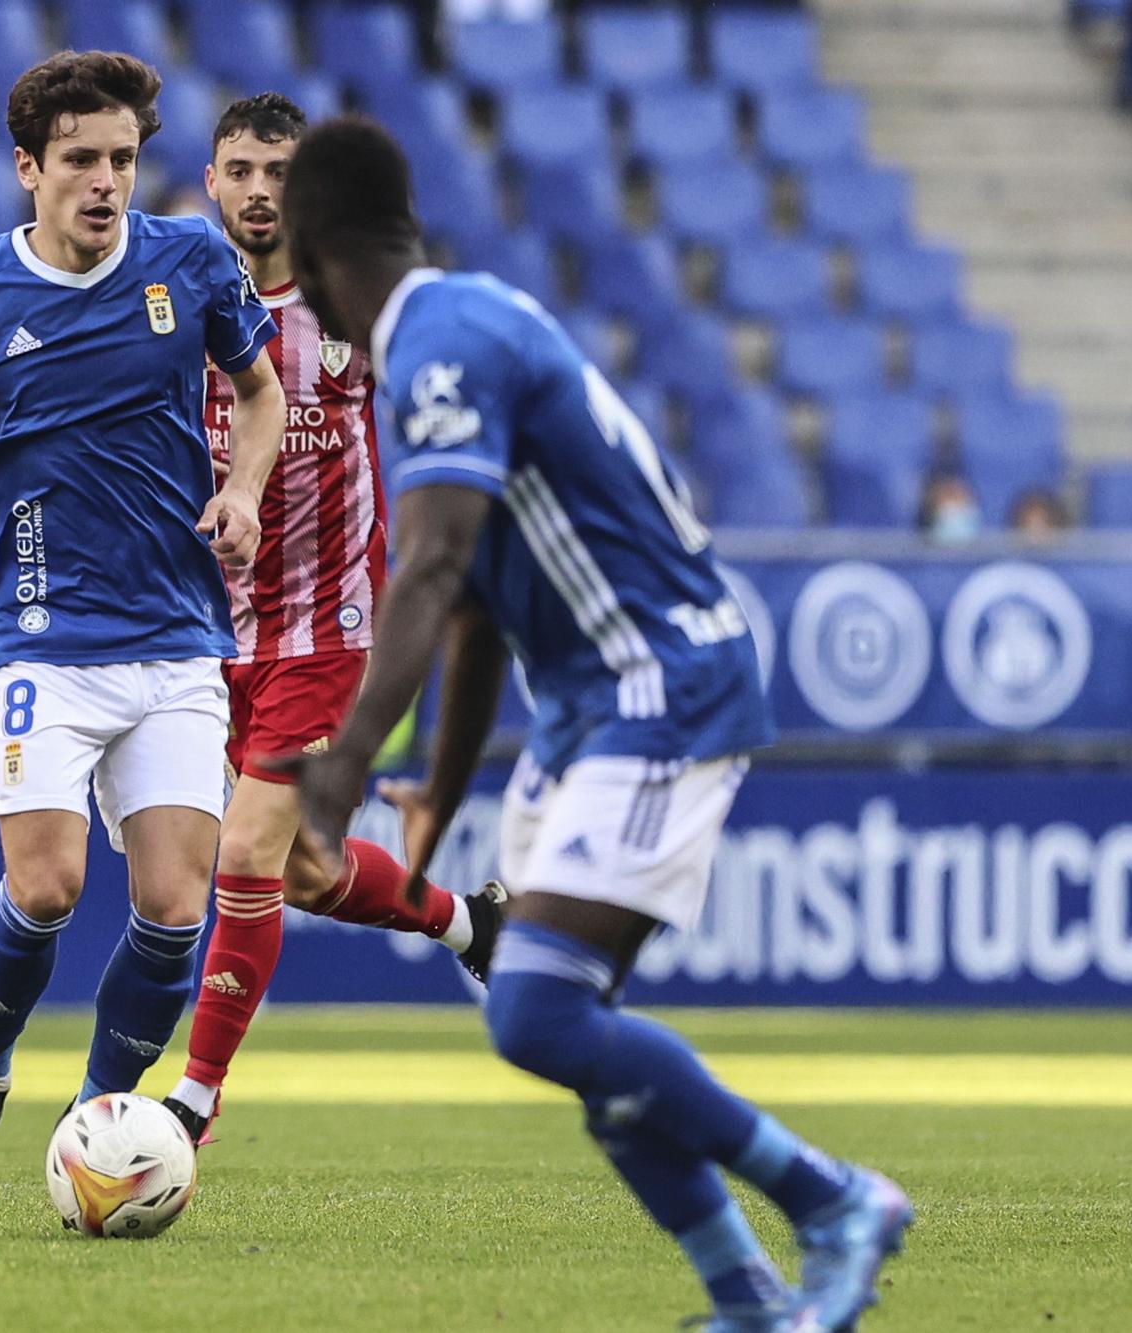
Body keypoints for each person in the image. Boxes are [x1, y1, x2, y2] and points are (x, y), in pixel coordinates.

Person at [279, 117, 912, 1333]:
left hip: (658, 684)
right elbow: (466, 614)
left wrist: (343, 765)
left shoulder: (441, 349)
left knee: (539, 1012)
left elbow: (429, 567)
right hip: (583, 710)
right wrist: (438, 794)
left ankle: (830, 1199)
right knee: (564, 1022)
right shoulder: (457, 326)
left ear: (306, 260)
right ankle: (745, 1297)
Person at [0, 51, 287, 1203]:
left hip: (179, 636)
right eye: (80, 161)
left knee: (173, 907)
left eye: (123, 160)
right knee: (44, 887)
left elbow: (259, 394)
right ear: (27, 168)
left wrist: (241, 492)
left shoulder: (189, 259)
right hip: (40, 637)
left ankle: (95, 1118)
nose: (104, 182)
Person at [165, 93, 505, 1143]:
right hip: (212, 637)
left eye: (278, 171)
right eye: (240, 170)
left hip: (330, 629)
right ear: (210, 183)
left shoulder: (358, 313)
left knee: (247, 854)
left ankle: (192, 1102)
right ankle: (467, 919)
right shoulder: (169, 304)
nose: (259, 191)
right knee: (300, 871)